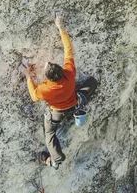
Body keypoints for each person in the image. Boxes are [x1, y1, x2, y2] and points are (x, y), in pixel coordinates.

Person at [25, 13, 97, 169]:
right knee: (92, 82)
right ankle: (80, 105)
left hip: (56, 112)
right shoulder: (69, 73)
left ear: (48, 77)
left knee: (50, 135)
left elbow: (33, 95)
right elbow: (68, 50)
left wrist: (28, 76)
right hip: (74, 102)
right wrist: (61, 27)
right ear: (60, 70)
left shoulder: (45, 89)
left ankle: (55, 160)